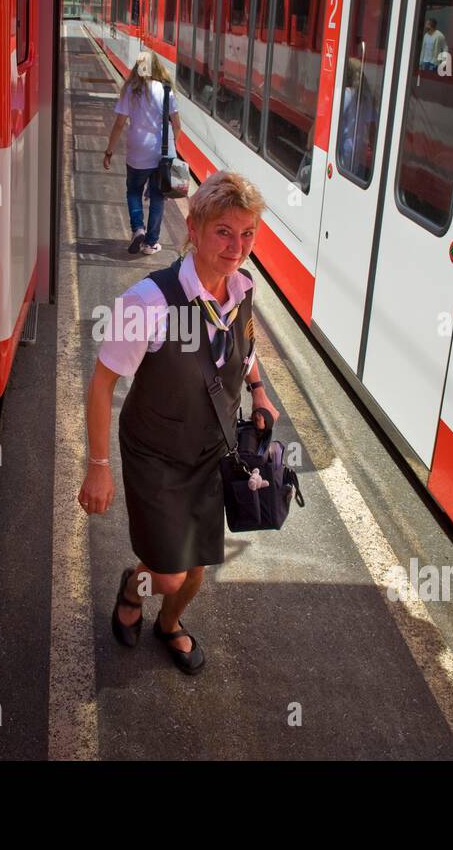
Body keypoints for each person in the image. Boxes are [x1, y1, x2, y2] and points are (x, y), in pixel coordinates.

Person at [78, 171, 281, 675]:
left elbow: (246, 346)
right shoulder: (146, 303)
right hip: (156, 454)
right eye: (224, 232)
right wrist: (98, 465)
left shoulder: (242, 289)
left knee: (195, 568)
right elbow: (101, 385)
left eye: (248, 233)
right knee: (167, 574)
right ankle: (133, 587)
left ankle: (167, 626)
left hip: (210, 451)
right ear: (193, 228)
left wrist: (258, 390)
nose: (237, 247)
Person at [103, 50, 183, 256]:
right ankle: (151, 243)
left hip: (137, 151)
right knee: (158, 197)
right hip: (162, 152)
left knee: (133, 190)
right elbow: (177, 124)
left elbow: (119, 124)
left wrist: (109, 152)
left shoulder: (131, 90)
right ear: (156, 66)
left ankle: (138, 228)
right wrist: (173, 146)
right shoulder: (166, 91)